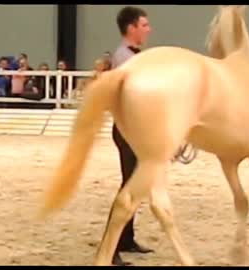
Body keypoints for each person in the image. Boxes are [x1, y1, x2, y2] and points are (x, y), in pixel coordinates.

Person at [106, 6, 152, 266]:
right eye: (144, 25)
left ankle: (126, 239)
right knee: (128, 189)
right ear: (132, 28)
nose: (149, 29)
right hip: (127, 130)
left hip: (135, 130)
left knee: (135, 187)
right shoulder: (125, 57)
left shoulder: (134, 56)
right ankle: (111, 248)